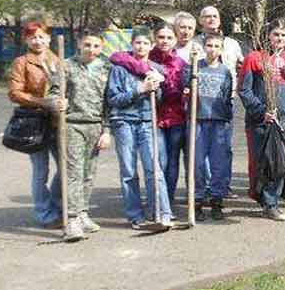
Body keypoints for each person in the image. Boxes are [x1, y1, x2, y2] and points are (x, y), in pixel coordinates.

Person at [110, 24, 187, 204]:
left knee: (172, 160)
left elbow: (178, 88)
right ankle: (157, 200)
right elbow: (117, 56)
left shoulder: (180, 63)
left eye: (169, 38)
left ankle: (167, 201)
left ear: (175, 40)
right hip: (152, 116)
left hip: (175, 117)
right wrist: (146, 72)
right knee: (158, 161)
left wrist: (174, 86)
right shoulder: (146, 57)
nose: (165, 41)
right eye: (161, 37)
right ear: (155, 40)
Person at [239, 18, 285, 221]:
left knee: (280, 164)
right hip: (261, 121)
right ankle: (260, 196)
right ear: (268, 35)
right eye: (276, 34)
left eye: (283, 35)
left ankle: (271, 203)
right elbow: (244, 90)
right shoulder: (255, 58)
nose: (279, 38)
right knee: (261, 163)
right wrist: (262, 112)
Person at [106, 28, 173, 230]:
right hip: (124, 122)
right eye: (138, 43)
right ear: (132, 44)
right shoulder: (119, 68)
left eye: (145, 43)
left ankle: (162, 212)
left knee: (154, 169)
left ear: (151, 45)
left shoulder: (155, 69)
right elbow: (113, 99)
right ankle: (135, 215)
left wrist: (158, 88)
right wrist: (139, 89)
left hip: (146, 121)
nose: (141, 46)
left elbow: (160, 101)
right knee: (128, 170)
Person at [47, 34, 112, 240]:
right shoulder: (66, 66)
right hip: (72, 125)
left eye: (95, 46)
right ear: (79, 45)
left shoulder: (105, 68)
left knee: (88, 172)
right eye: (87, 45)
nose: (91, 49)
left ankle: (83, 212)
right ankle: (72, 218)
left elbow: (108, 102)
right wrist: (57, 103)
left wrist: (107, 130)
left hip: (95, 125)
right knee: (73, 172)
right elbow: (54, 93)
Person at [7, 22, 65, 228]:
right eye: (33, 37)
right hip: (35, 123)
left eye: (41, 37)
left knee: (65, 167)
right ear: (26, 40)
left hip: (58, 122)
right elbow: (14, 93)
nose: (37, 41)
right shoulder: (21, 63)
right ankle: (45, 214)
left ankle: (59, 206)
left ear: (49, 39)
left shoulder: (58, 61)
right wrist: (42, 102)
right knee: (41, 170)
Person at [185, 33, 234, 220]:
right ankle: (197, 200)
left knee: (219, 164)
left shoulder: (225, 71)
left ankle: (216, 200)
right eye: (209, 45)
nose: (212, 49)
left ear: (221, 49)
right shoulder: (195, 67)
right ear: (204, 47)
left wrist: (226, 119)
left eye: (216, 46)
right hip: (198, 120)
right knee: (197, 163)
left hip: (219, 122)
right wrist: (193, 64)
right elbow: (185, 84)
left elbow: (227, 96)